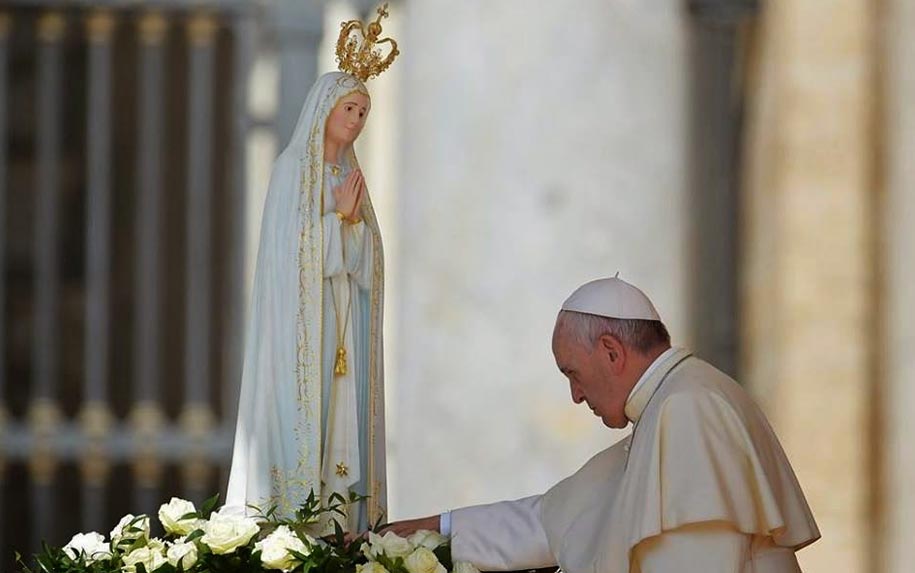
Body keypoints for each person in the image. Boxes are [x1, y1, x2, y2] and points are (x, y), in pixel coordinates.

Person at [384, 276, 820, 573]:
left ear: (611, 352)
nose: (575, 395)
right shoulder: (676, 400)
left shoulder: (687, 410)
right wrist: (431, 532)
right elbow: (556, 519)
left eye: (573, 373)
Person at [225, 6, 399, 532]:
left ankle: (340, 523)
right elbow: (288, 258)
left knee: (343, 419)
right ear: (324, 107)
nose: (357, 121)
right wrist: (336, 222)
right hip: (304, 331)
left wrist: (351, 227)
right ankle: (297, 523)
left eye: (364, 113)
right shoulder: (289, 173)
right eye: (350, 108)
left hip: (343, 319)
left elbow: (369, 261)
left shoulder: (351, 177)